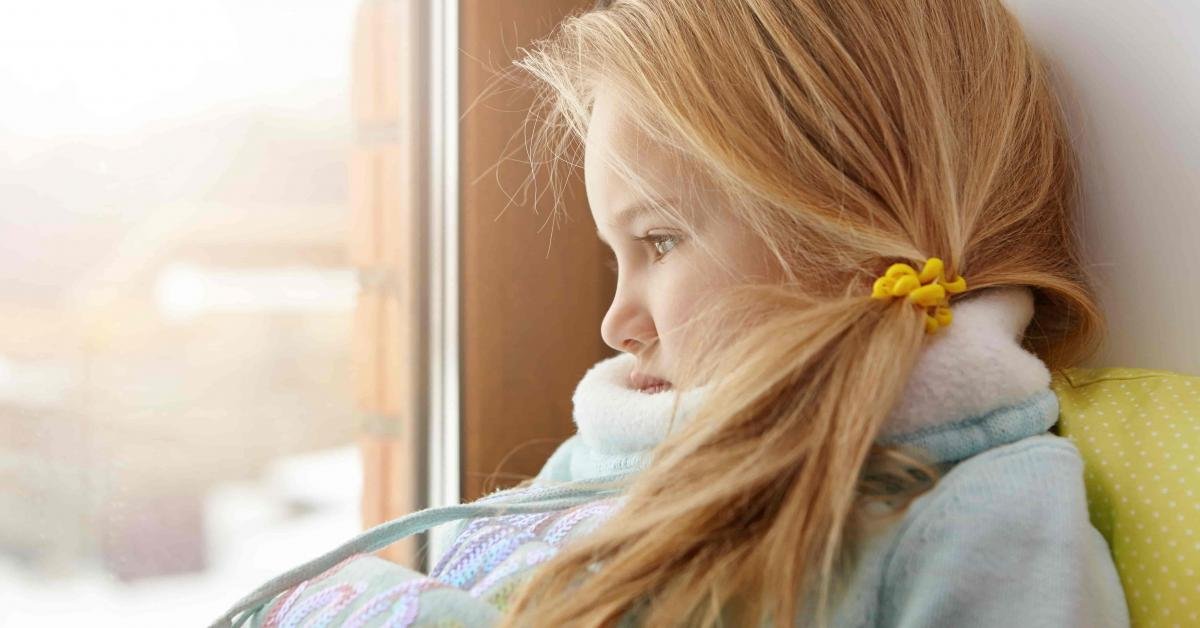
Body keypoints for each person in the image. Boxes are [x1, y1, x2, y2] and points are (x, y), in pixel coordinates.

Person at [212, 0, 1131, 626]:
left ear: (849, 231)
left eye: (657, 242)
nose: (617, 322)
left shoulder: (973, 511)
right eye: (614, 255)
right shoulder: (602, 457)